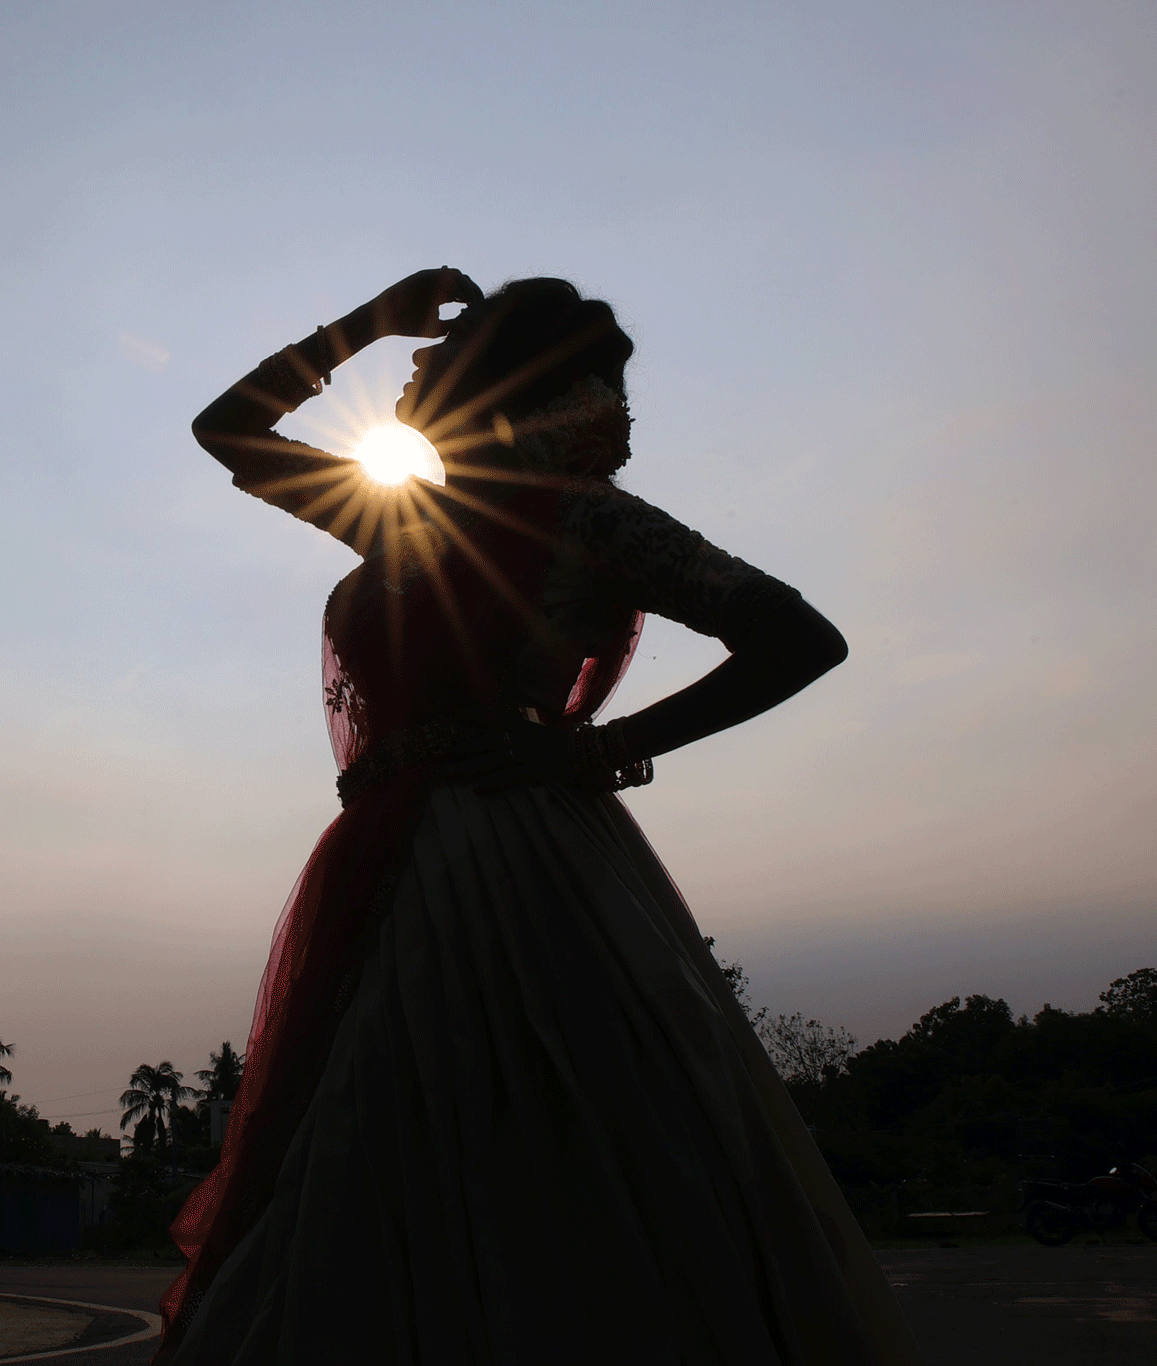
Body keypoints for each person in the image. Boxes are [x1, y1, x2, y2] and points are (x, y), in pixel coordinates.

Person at [162, 269, 919, 1363]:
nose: (422, 370)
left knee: (554, 1137)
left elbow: (800, 637)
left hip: (525, 860)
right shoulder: (398, 517)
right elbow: (228, 431)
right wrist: (368, 323)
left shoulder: (586, 519)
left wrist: (603, 745)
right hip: (396, 864)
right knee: (382, 1143)